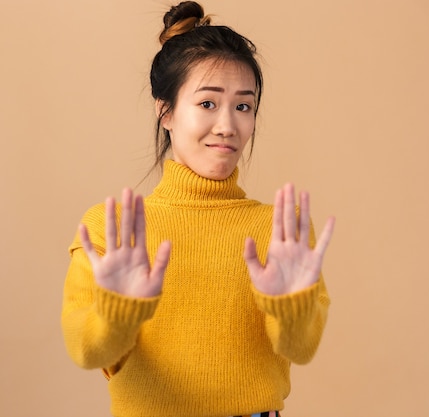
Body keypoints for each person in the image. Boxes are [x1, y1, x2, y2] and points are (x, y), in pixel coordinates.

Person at [61, 2, 335, 416]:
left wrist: (291, 306)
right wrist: (119, 313)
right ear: (165, 110)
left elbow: (300, 348)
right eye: (207, 103)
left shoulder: (280, 231)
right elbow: (86, 350)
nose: (227, 126)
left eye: (243, 106)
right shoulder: (112, 228)